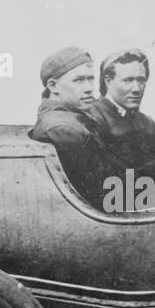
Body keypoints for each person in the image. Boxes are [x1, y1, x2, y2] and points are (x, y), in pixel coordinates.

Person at [84, 48, 155, 177]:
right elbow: (109, 183)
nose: (137, 89)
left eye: (141, 80)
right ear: (108, 81)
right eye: (128, 80)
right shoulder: (92, 119)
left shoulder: (147, 122)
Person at [28, 46, 109, 202]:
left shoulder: (69, 117)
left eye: (90, 79)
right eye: (78, 80)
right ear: (53, 86)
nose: (88, 88)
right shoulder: (64, 129)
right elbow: (104, 191)